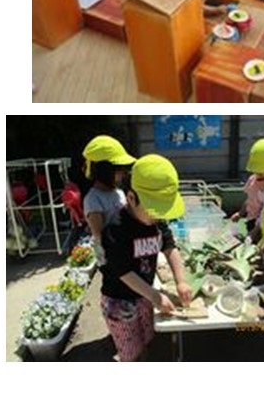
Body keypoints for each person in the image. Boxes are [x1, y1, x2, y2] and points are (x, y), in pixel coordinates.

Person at [100, 154, 192, 361]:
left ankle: (142, 355)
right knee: (131, 350)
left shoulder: (156, 222)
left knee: (147, 337)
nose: (158, 217)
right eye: (153, 210)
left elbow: (170, 247)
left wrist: (181, 281)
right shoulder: (115, 229)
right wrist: (155, 296)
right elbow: (123, 271)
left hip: (144, 294)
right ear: (131, 198)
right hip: (119, 300)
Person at [82, 135, 136, 264]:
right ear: (104, 170)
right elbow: (99, 236)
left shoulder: (118, 192)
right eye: (119, 169)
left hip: (126, 250)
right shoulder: (93, 199)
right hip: (112, 258)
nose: (123, 173)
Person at [231, 138, 264, 232]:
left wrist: (256, 231)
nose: (258, 173)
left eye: (261, 170)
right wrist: (240, 213)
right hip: (251, 220)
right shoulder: (252, 179)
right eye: (256, 170)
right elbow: (249, 200)